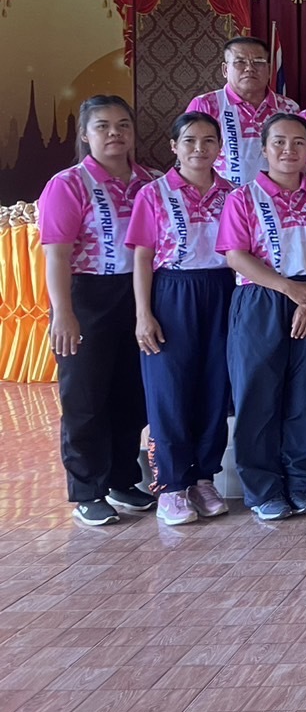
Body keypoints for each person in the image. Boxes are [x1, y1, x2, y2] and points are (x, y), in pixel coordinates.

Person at [38, 96, 157, 526]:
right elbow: (55, 254)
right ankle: (88, 489)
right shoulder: (69, 184)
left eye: (123, 125)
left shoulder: (149, 181)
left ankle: (123, 478)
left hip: (140, 295)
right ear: (85, 135)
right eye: (103, 126)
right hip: (87, 297)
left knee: (131, 394)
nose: (114, 134)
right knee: (86, 397)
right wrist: (63, 312)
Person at [217, 112, 306, 521]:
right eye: (279, 142)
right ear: (264, 149)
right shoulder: (243, 198)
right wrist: (289, 290)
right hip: (261, 298)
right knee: (257, 395)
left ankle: (300, 483)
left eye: (299, 142)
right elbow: (236, 256)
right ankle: (263, 490)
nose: (289, 150)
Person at [126, 112, 235, 525]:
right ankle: (172, 485)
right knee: (169, 389)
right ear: (174, 146)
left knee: (215, 387)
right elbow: (142, 257)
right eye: (189, 140)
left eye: (209, 141)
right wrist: (143, 313)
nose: (199, 149)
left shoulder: (232, 194)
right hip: (172, 292)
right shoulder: (154, 194)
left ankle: (203, 477)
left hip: (222, 290)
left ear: (220, 147)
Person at [187, 36, 299, 186]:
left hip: (275, 195)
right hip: (220, 196)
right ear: (225, 70)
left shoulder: (288, 108)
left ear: (268, 69)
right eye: (240, 62)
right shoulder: (205, 105)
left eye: (258, 62)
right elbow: (187, 156)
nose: (249, 68)